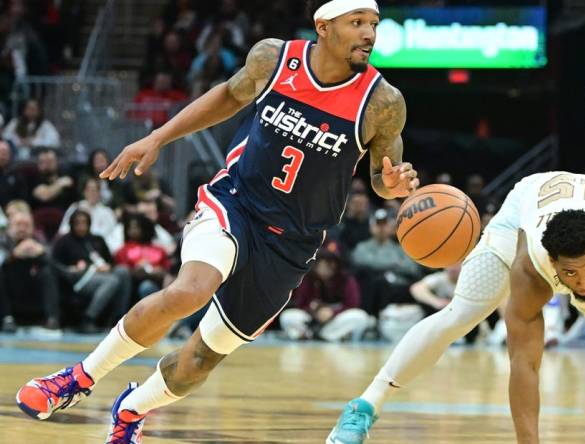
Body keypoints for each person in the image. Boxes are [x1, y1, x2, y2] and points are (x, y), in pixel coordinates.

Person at [16, 3, 418, 444]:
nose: (369, 34)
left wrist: (393, 184)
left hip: (292, 244)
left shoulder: (382, 101)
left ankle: (131, 410)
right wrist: (157, 137)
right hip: (236, 203)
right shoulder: (275, 58)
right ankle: (77, 378)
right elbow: (228, 96)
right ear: (324, 27)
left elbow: (382, 176)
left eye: (373, 25)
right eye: (357, 23)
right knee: (191, 289)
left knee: (198, 363)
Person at [327, 172, 585, 444]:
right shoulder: (529, 270)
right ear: (552, 265)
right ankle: (363, 407)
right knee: (462, 313)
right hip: (525, 209)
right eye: (572, 275)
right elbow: (526, 365)